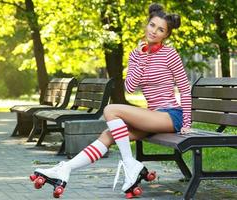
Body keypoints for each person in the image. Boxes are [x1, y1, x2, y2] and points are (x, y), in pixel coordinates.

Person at [30, 3, 192, 198]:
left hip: (170, 115)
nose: (154, 31)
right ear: (146, 25)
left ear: (166, 35)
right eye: (152, 25)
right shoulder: (135, 55)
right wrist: (142, 57)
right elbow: (130, 87)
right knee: (108, 135)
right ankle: (65, 169)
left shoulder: (169, 54)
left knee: (111, 110)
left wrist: (187, 121)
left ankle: (130, 165)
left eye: (161, 30)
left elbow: (184, 87)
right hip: (152, 116)